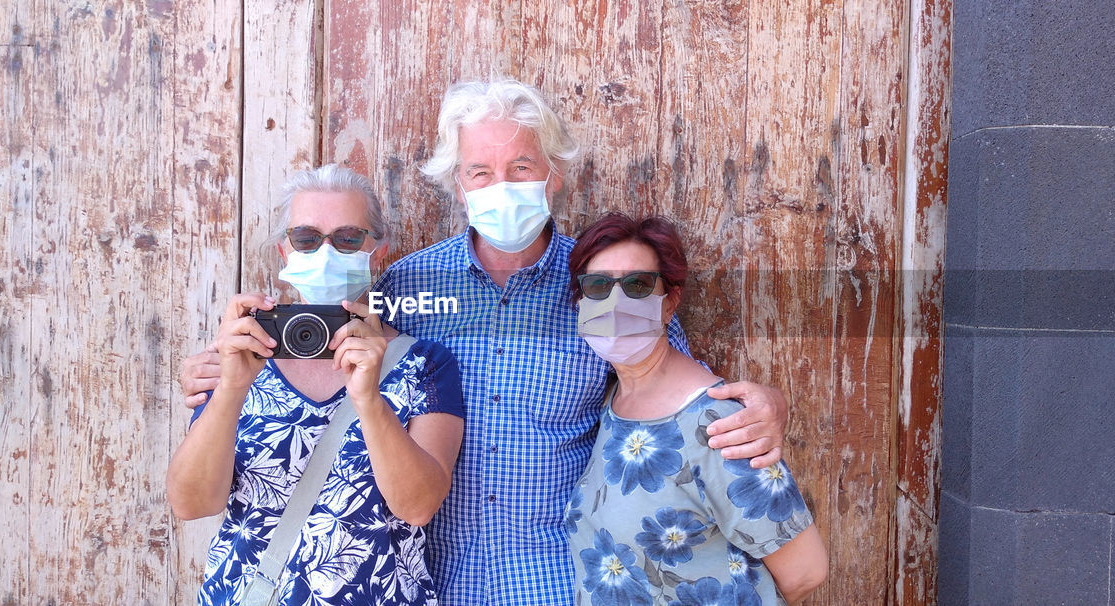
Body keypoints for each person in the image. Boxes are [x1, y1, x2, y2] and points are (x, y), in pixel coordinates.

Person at [180, 79, 791, 605]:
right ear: (459, 185)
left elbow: (675, 391)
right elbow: (314, 347)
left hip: (556, 579)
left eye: (521, 168)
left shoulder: (601, 290)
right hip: (431, 579)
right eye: (481, 171)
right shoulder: (403, 285)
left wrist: (765, 404)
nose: (502, 185)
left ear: (553, 176)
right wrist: (213, 370)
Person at [166, 165, 465, 605]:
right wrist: (231, 390)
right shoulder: (246, 351)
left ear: (376, 252)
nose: (325, 252)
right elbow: (191, 503)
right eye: (307, 238)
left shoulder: (422, 363)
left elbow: (417, 506)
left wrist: (368, 400)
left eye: (347, 238)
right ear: (286, 252)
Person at [564, 212, 826, 605]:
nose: (615, 302)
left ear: (669, 302)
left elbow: (806, 570)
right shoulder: (615, 403)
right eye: (598, 286)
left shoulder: (716, 424)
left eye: (637, 285)